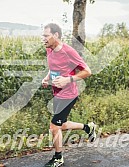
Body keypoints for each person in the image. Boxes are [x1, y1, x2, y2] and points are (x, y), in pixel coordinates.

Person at [41, 23, 96, 167]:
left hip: (68, 95)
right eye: (43, 36)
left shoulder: (68, 51)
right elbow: (54, 67)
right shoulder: (49, 49)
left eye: (46, 36)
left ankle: (58, 158)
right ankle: (88, 127)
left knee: (54, 126)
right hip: (57, 93)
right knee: (62, 124)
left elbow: (87, 71)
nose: (43, 39)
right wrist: (47, 78)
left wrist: (68, 79)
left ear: (56, 35)